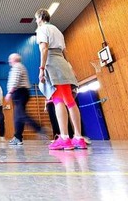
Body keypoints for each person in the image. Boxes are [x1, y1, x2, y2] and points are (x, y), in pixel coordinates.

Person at [35, 8, 87, 150]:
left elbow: (44, 49)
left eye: (36, 19)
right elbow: (65, 52)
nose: (36, 21)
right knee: (70, 101)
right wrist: (70, 68)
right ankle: (78, 138)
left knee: (57, 100)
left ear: (40, 18)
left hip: (52, 63)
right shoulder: (58, 30)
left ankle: (64, 137)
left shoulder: (41, 29)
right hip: (63, 63)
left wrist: (41, 69)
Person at [5, 53, 44, 145]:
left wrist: (9, 93)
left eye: (10, 59)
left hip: (19, 92)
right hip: (20, 93)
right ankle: (18, 137)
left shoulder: (17, 67)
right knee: (18, 117)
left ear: (14, 59)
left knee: (21, 115)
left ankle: (39, 128)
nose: (9, 61)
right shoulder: (19, 67)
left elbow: (15, 80)